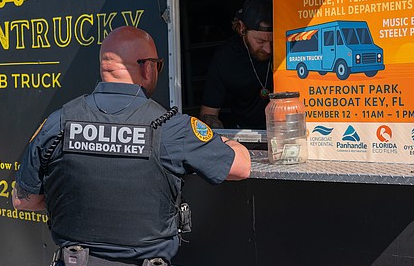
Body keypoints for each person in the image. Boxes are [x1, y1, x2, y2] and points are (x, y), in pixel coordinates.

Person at [13, 26, 251, 266]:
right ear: (147, 67)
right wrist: (228, 141)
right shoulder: (171, 128)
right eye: (158, 65)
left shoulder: (58, 122)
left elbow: (24, 200)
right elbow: (241, 167)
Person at [200, 0, 273, 129]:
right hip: (244, 132)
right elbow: (208, 114)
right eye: (260, 41)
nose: (268, 49)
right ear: (242, 28)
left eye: (272, 41)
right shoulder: (225, 58)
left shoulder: (290, 49)